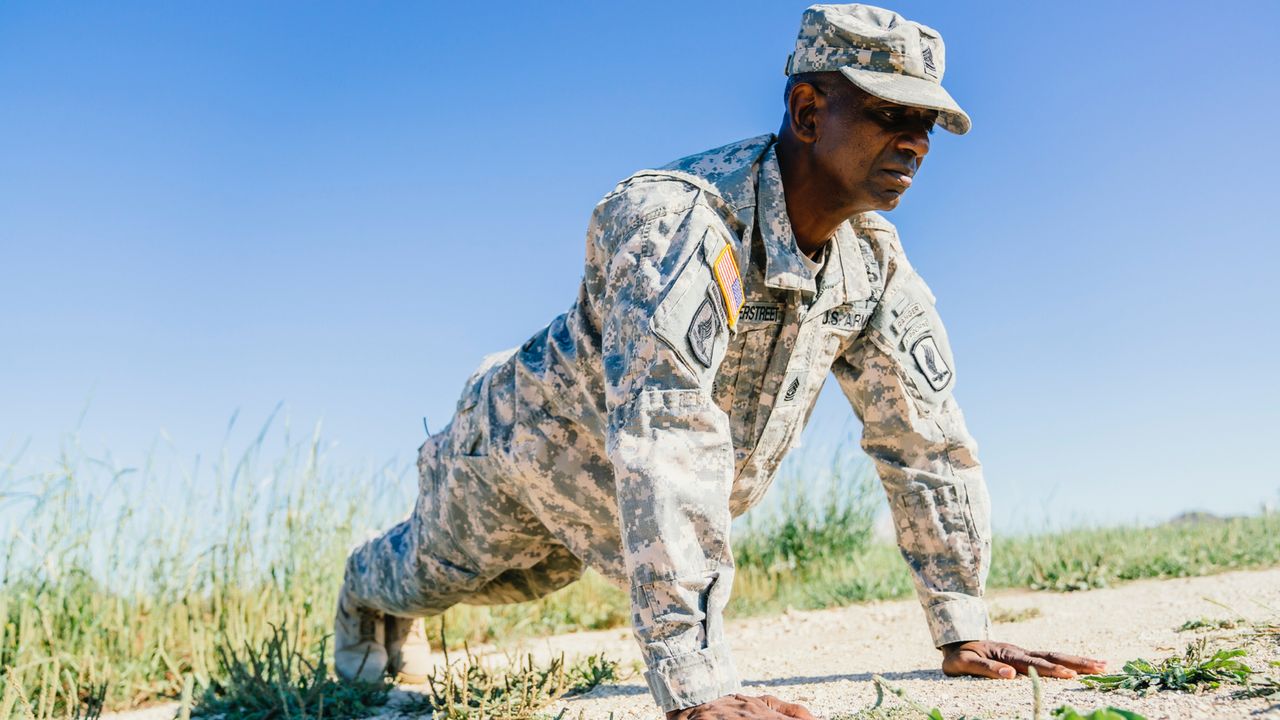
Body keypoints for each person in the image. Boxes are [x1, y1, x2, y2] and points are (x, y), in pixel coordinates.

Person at [332, 4, 1107, 718]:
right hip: (520, 454)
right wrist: (696, 686)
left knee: (532, 585)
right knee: (436, 575)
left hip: (621, 515)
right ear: (808, 112)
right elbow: (668, 427)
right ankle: (361, 599)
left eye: (927, 123)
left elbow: (926, 441)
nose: (915, 142)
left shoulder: (871, 262)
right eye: (888, 114)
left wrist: (962, 624)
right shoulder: (678, 221)